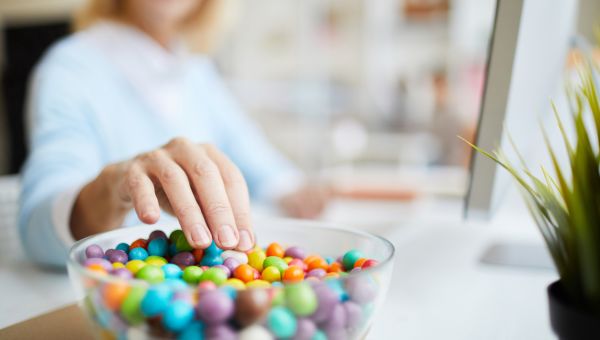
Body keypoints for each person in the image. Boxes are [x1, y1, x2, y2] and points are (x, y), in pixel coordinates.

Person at [19, 0, 328, 268]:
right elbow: (38, 226)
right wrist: (117, 184)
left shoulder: (196, 70)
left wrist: (293, 188)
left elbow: (256, 157)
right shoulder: (68, 67)